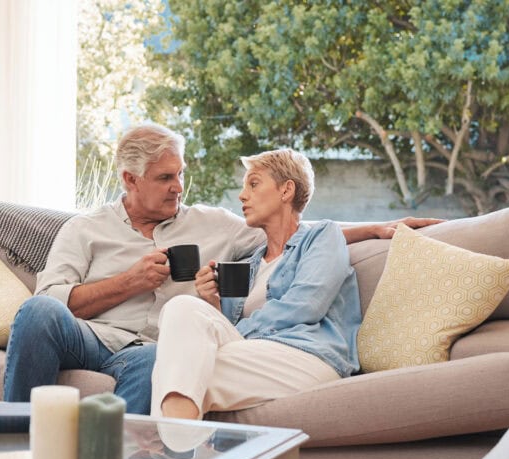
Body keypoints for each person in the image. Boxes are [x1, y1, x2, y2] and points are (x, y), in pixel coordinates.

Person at [3, 123, 437, 414]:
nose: (178, 187)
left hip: (153, 349)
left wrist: (378, 229)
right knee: (37, 313)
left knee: (161, 360)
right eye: (164, 179)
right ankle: (13, 446)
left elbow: (293, 238)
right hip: (95, 337)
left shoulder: (215, 225)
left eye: (180, 175)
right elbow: (52, 300)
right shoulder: (86, 229)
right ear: (130, 180)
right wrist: (127, 283)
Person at [152, 148, 360, 419]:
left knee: (178, 369)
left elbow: (306, 306)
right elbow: (221, 330)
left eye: (253, 183)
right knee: (182, 322)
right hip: (254, 356)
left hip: (308, 355)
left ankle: (167, 456)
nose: (242, 195)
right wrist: (213, 303)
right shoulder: (249, 266)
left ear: (286, 191)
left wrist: (239, 333)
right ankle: (180, 453)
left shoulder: (322, 236)